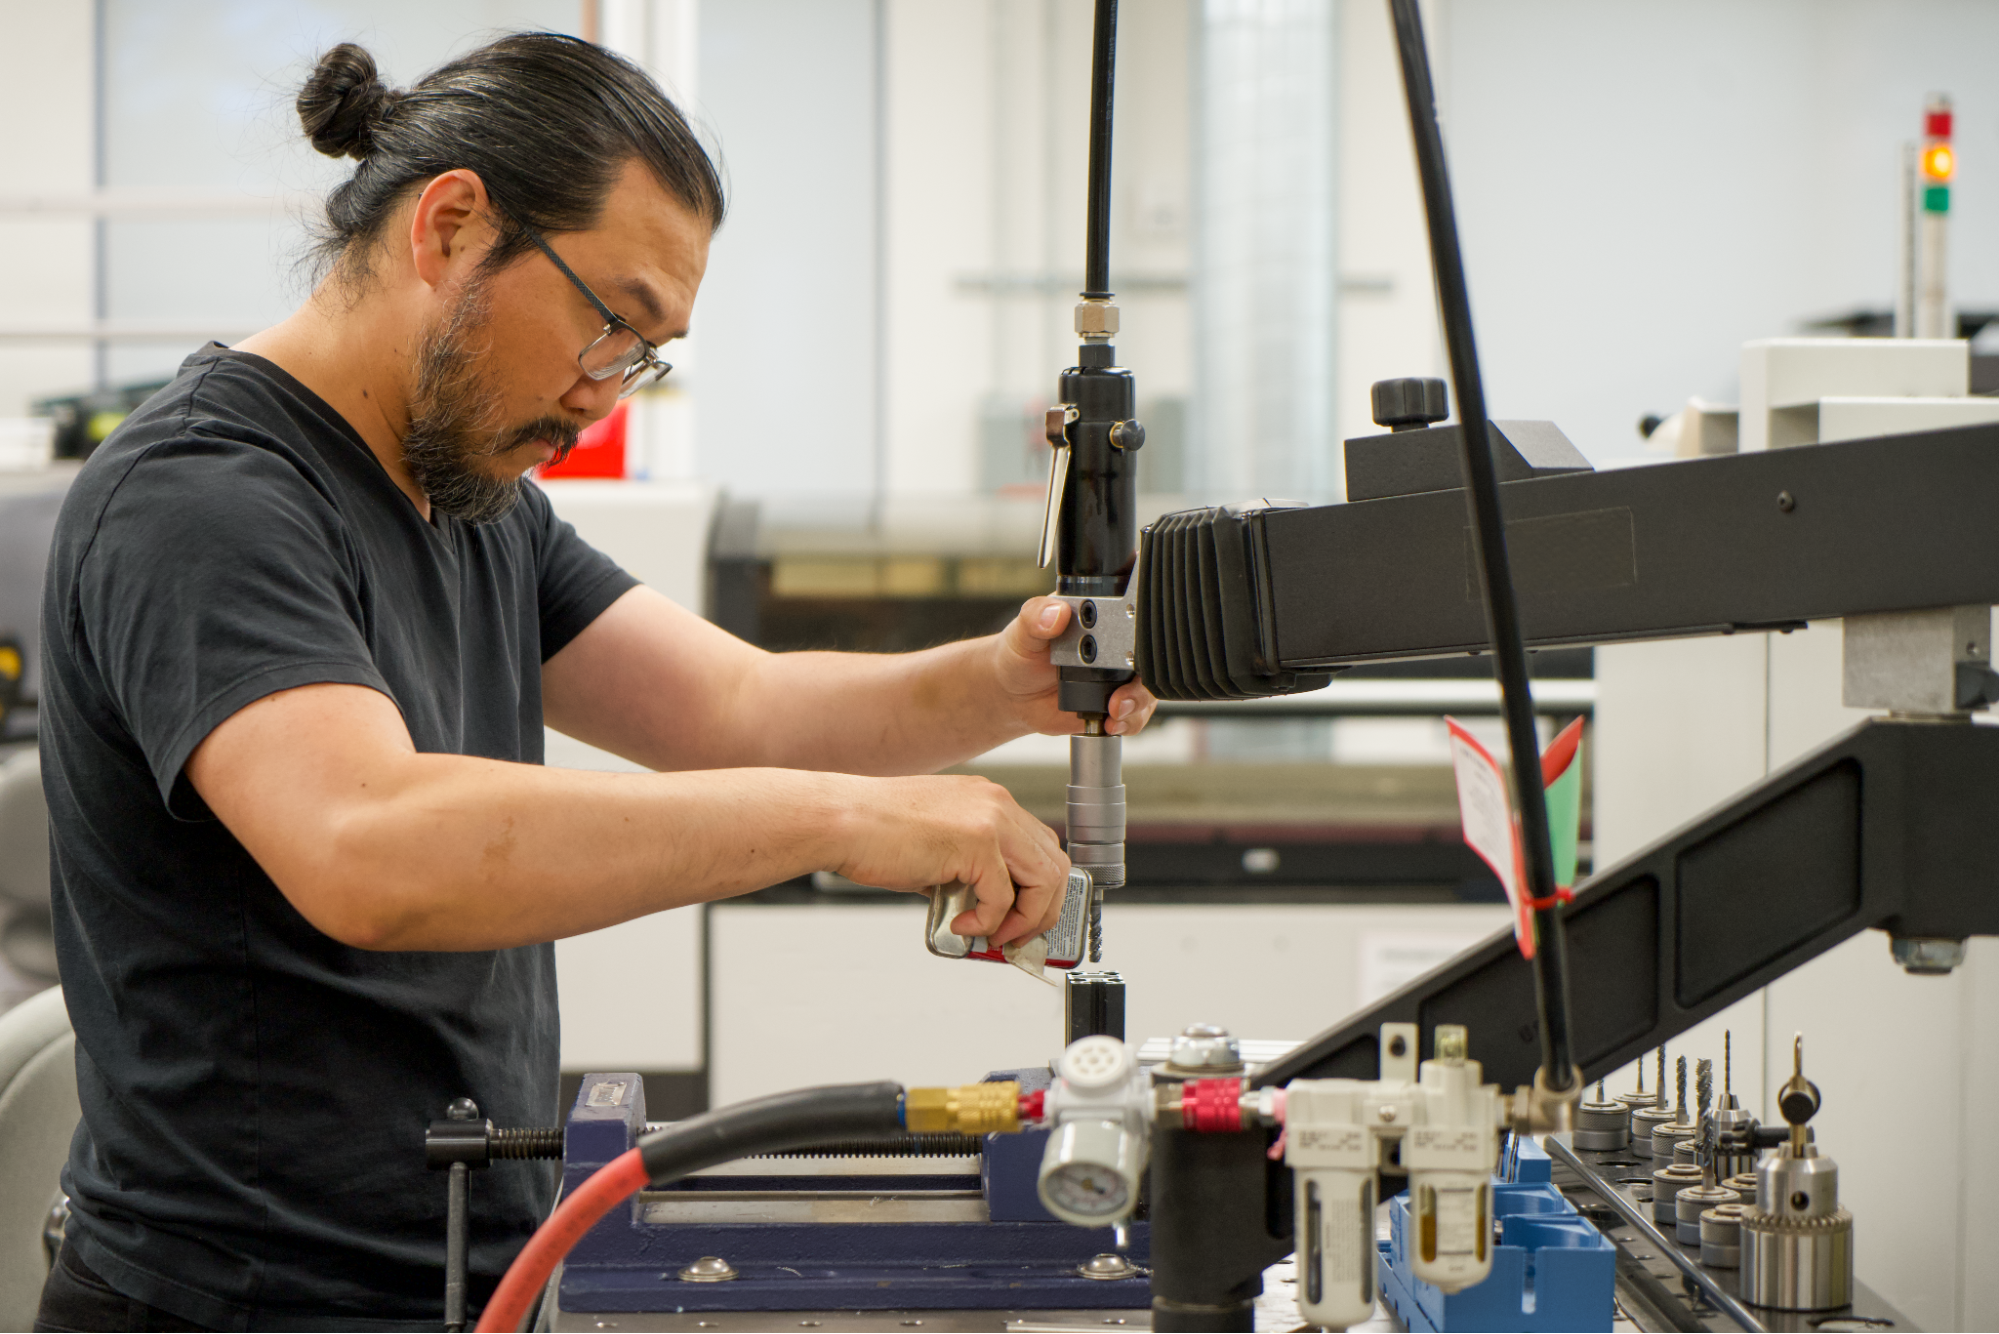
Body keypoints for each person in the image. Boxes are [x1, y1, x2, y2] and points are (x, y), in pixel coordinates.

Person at [34, 33, 1154, 1333]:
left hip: (462, 1267)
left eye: (645, 354)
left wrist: (1007, 682)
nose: (604, 393)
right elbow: (369, 845)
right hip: (236, 1302)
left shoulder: (473, 495)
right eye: (609, 324)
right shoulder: (205, 495)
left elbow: (737, 711)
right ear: (449, 226)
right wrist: (853, 820)